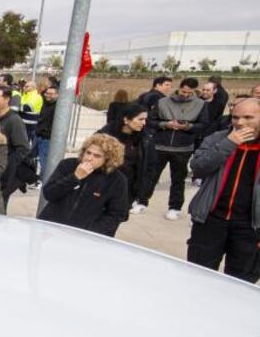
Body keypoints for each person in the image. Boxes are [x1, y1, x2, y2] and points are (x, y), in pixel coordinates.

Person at [186, 98, 260, 282]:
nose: (240, 123)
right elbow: (198, 167)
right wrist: (228, 144)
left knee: (241, 281)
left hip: (250, 226)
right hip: (211, 219)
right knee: (198, 274)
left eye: (248, 117)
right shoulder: (217, 138)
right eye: (235, 117)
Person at [39, 134, 130, 237]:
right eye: (88, 153)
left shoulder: (117, 180)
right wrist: (74, 178)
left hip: (84, 236)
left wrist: (91, 232)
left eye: (97, 156)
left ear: (108, 159)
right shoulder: (68, 165)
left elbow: (116, 214)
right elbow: (49, 193)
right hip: (51, 229)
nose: (90, 158)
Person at [149, 77, 211, 220]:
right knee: (151, 176)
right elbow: (151, 121)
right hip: (160, 146)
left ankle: (174, 208)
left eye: (189, 93)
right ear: (179, 88)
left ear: (194, 91)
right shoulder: (163, 102)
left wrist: (188, 127)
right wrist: (166, 124)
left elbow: (204, 125)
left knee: (178, 180)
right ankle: (141, 201)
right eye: (184, 91)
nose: (185, 95)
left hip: (183, 148)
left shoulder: (201, 105)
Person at [98, 103, 156, 215]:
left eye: (145, 120)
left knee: (116, 217)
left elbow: (150, 165)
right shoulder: (105, 135)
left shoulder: (145, 140)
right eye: (140, 119)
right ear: (126, 119)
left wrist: (143, 189)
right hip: (103, 185)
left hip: (127, 189)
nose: (144, 123)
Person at [0, 86, 30, 207]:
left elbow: (23, 149)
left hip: (4, 176)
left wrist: (6, 165)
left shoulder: (14, 120)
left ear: (7, 99)